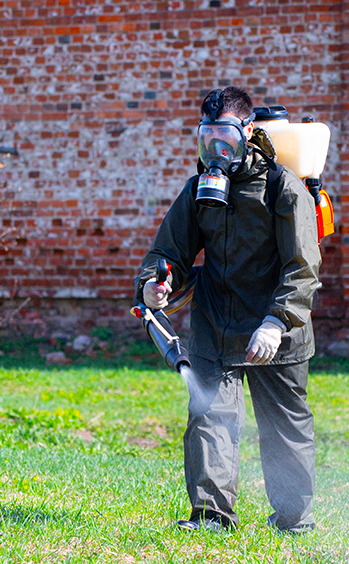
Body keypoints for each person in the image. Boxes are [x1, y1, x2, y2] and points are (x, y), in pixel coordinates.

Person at [135, 85, 321, 533]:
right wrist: (154, 285)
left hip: (279, 328)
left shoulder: (283, 188)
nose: (216, 148)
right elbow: (169, 253)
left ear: (248, 131)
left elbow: (303, 268)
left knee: (284, 428)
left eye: (226, 137)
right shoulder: (199, 189)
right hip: (217, 323)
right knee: (209, 416)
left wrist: (276, 322)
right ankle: (212, 516)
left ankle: (294, 519)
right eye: (207, 138)